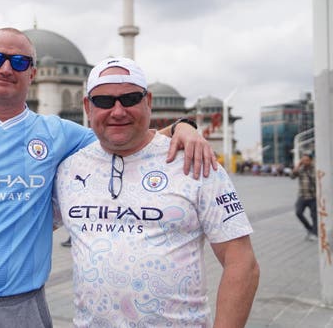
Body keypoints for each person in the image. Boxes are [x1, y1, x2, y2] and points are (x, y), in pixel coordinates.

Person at [0, 28, 216, 328]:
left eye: (19, 62)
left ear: (33, 73)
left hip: (21, 309)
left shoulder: (58, 134)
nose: (6, 68)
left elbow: (128, 138)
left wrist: (182, 126)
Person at [53, 57, 260, 327]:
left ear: (148, 101)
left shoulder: (194, 161)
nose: (117, 111)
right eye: (104, 101)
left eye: (129, 99)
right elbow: (25, 227)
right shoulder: (69, 169)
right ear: (87, 107)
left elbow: (242, 263)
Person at [291, 153, 317, 241]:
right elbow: (292, 176)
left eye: (306, 160)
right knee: (298, 213)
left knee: (314, 216)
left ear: (311, 160)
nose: (305, 162)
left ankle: (315, 233)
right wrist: (298, 165)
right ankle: (310, 228)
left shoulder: (315, 168)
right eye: (303, 160)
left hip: (313, 196)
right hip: (302, 196)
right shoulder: (301, 168)